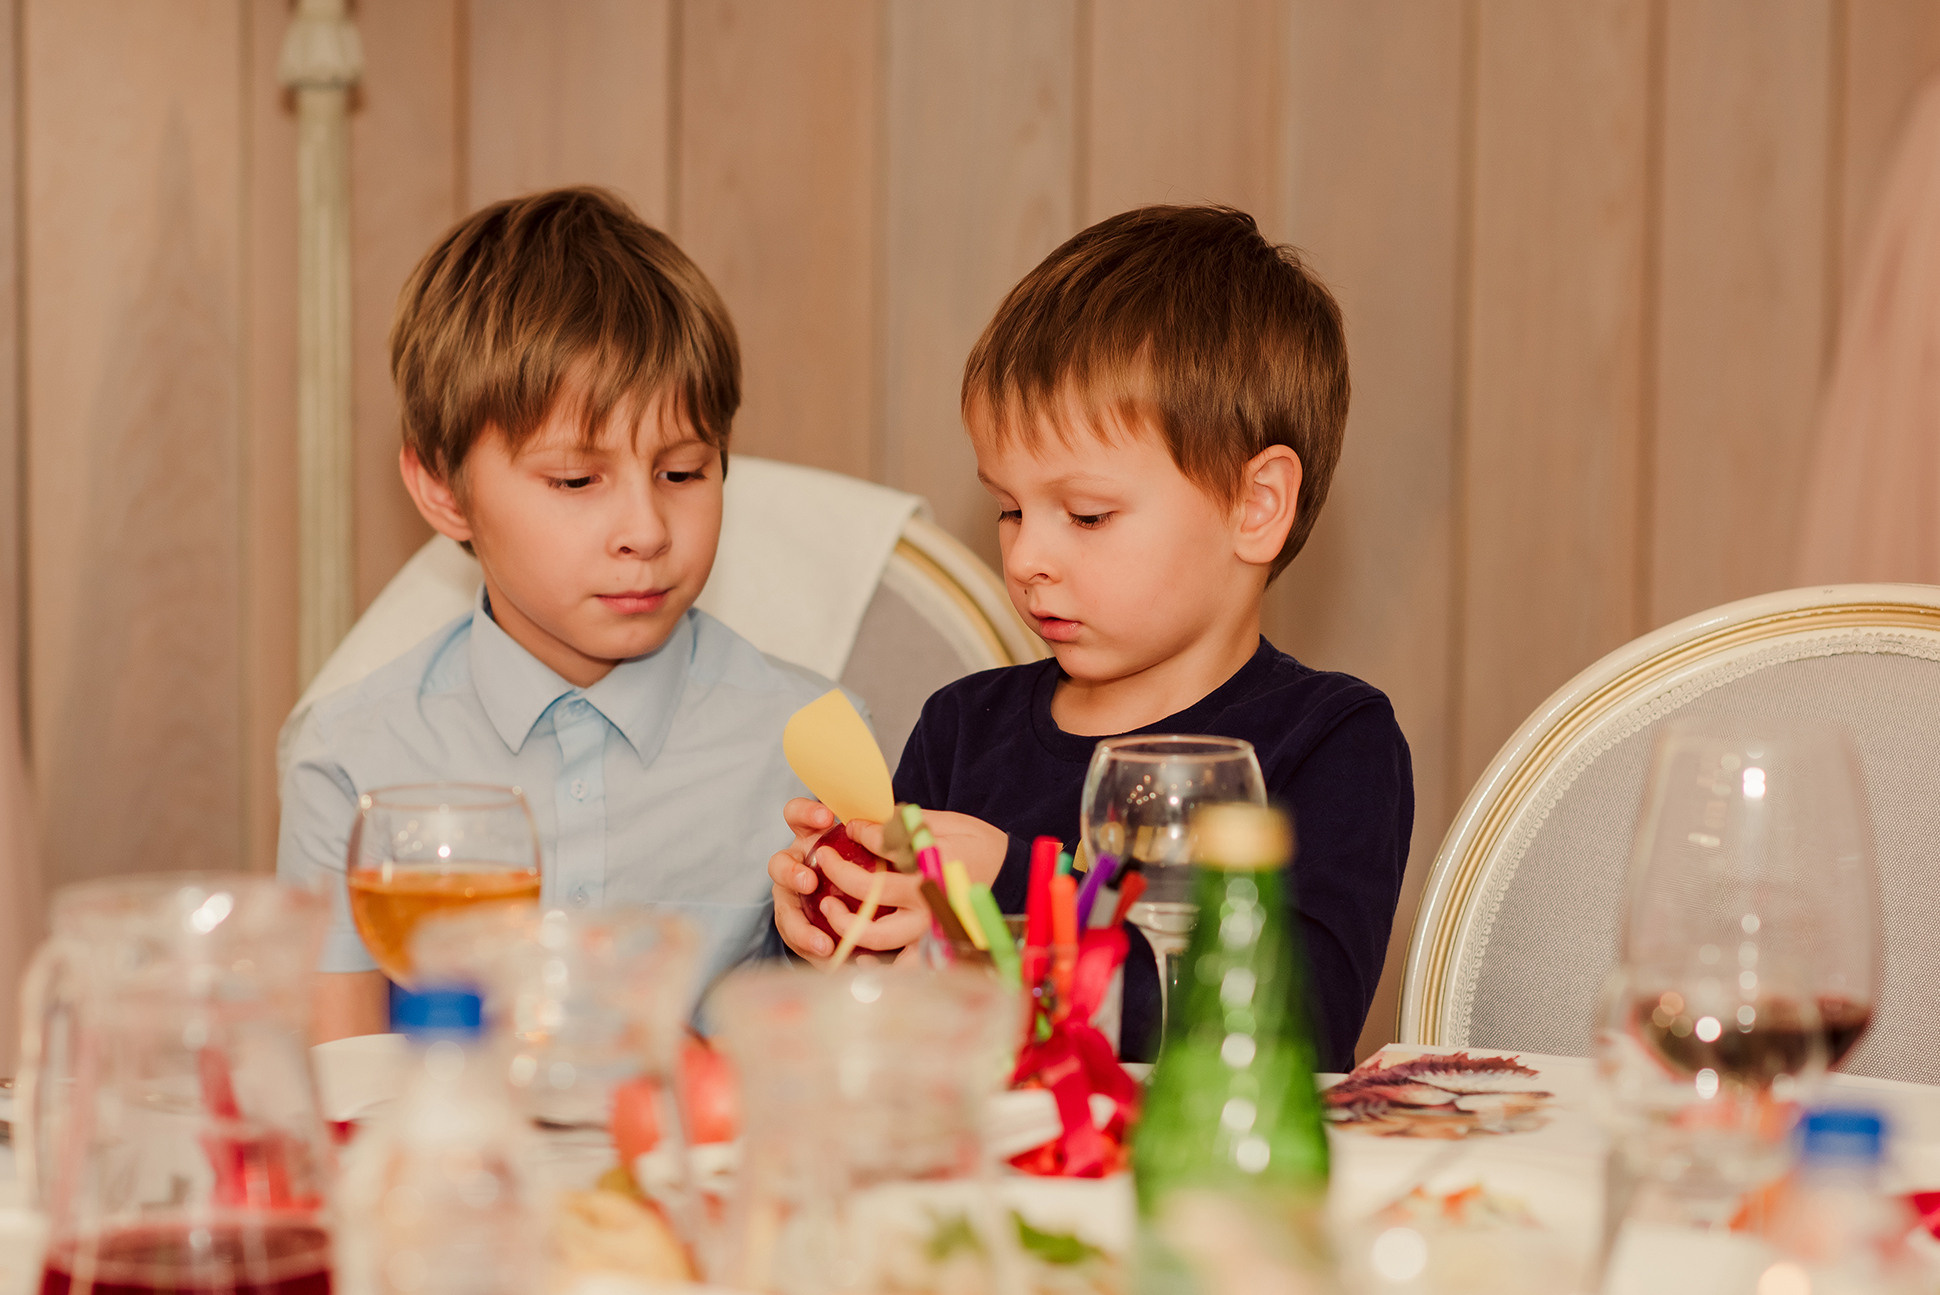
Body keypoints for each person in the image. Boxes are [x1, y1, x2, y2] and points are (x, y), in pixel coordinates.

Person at [768, 205, 1413, 1069]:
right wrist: (838, 931)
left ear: (1255, 505)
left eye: (1086, 514)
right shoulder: (962, 729)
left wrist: (1016, 891)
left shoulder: (1331, 741)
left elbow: (1294, 1027)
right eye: (1009, 508)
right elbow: (893, 1033)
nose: (1026, 556)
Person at [280, 187, 830, 1041]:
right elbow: (340, 1077)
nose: (647, 530)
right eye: (576, 480)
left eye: (684, 472)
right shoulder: (350, 760)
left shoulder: (809, 747)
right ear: (442, 488)